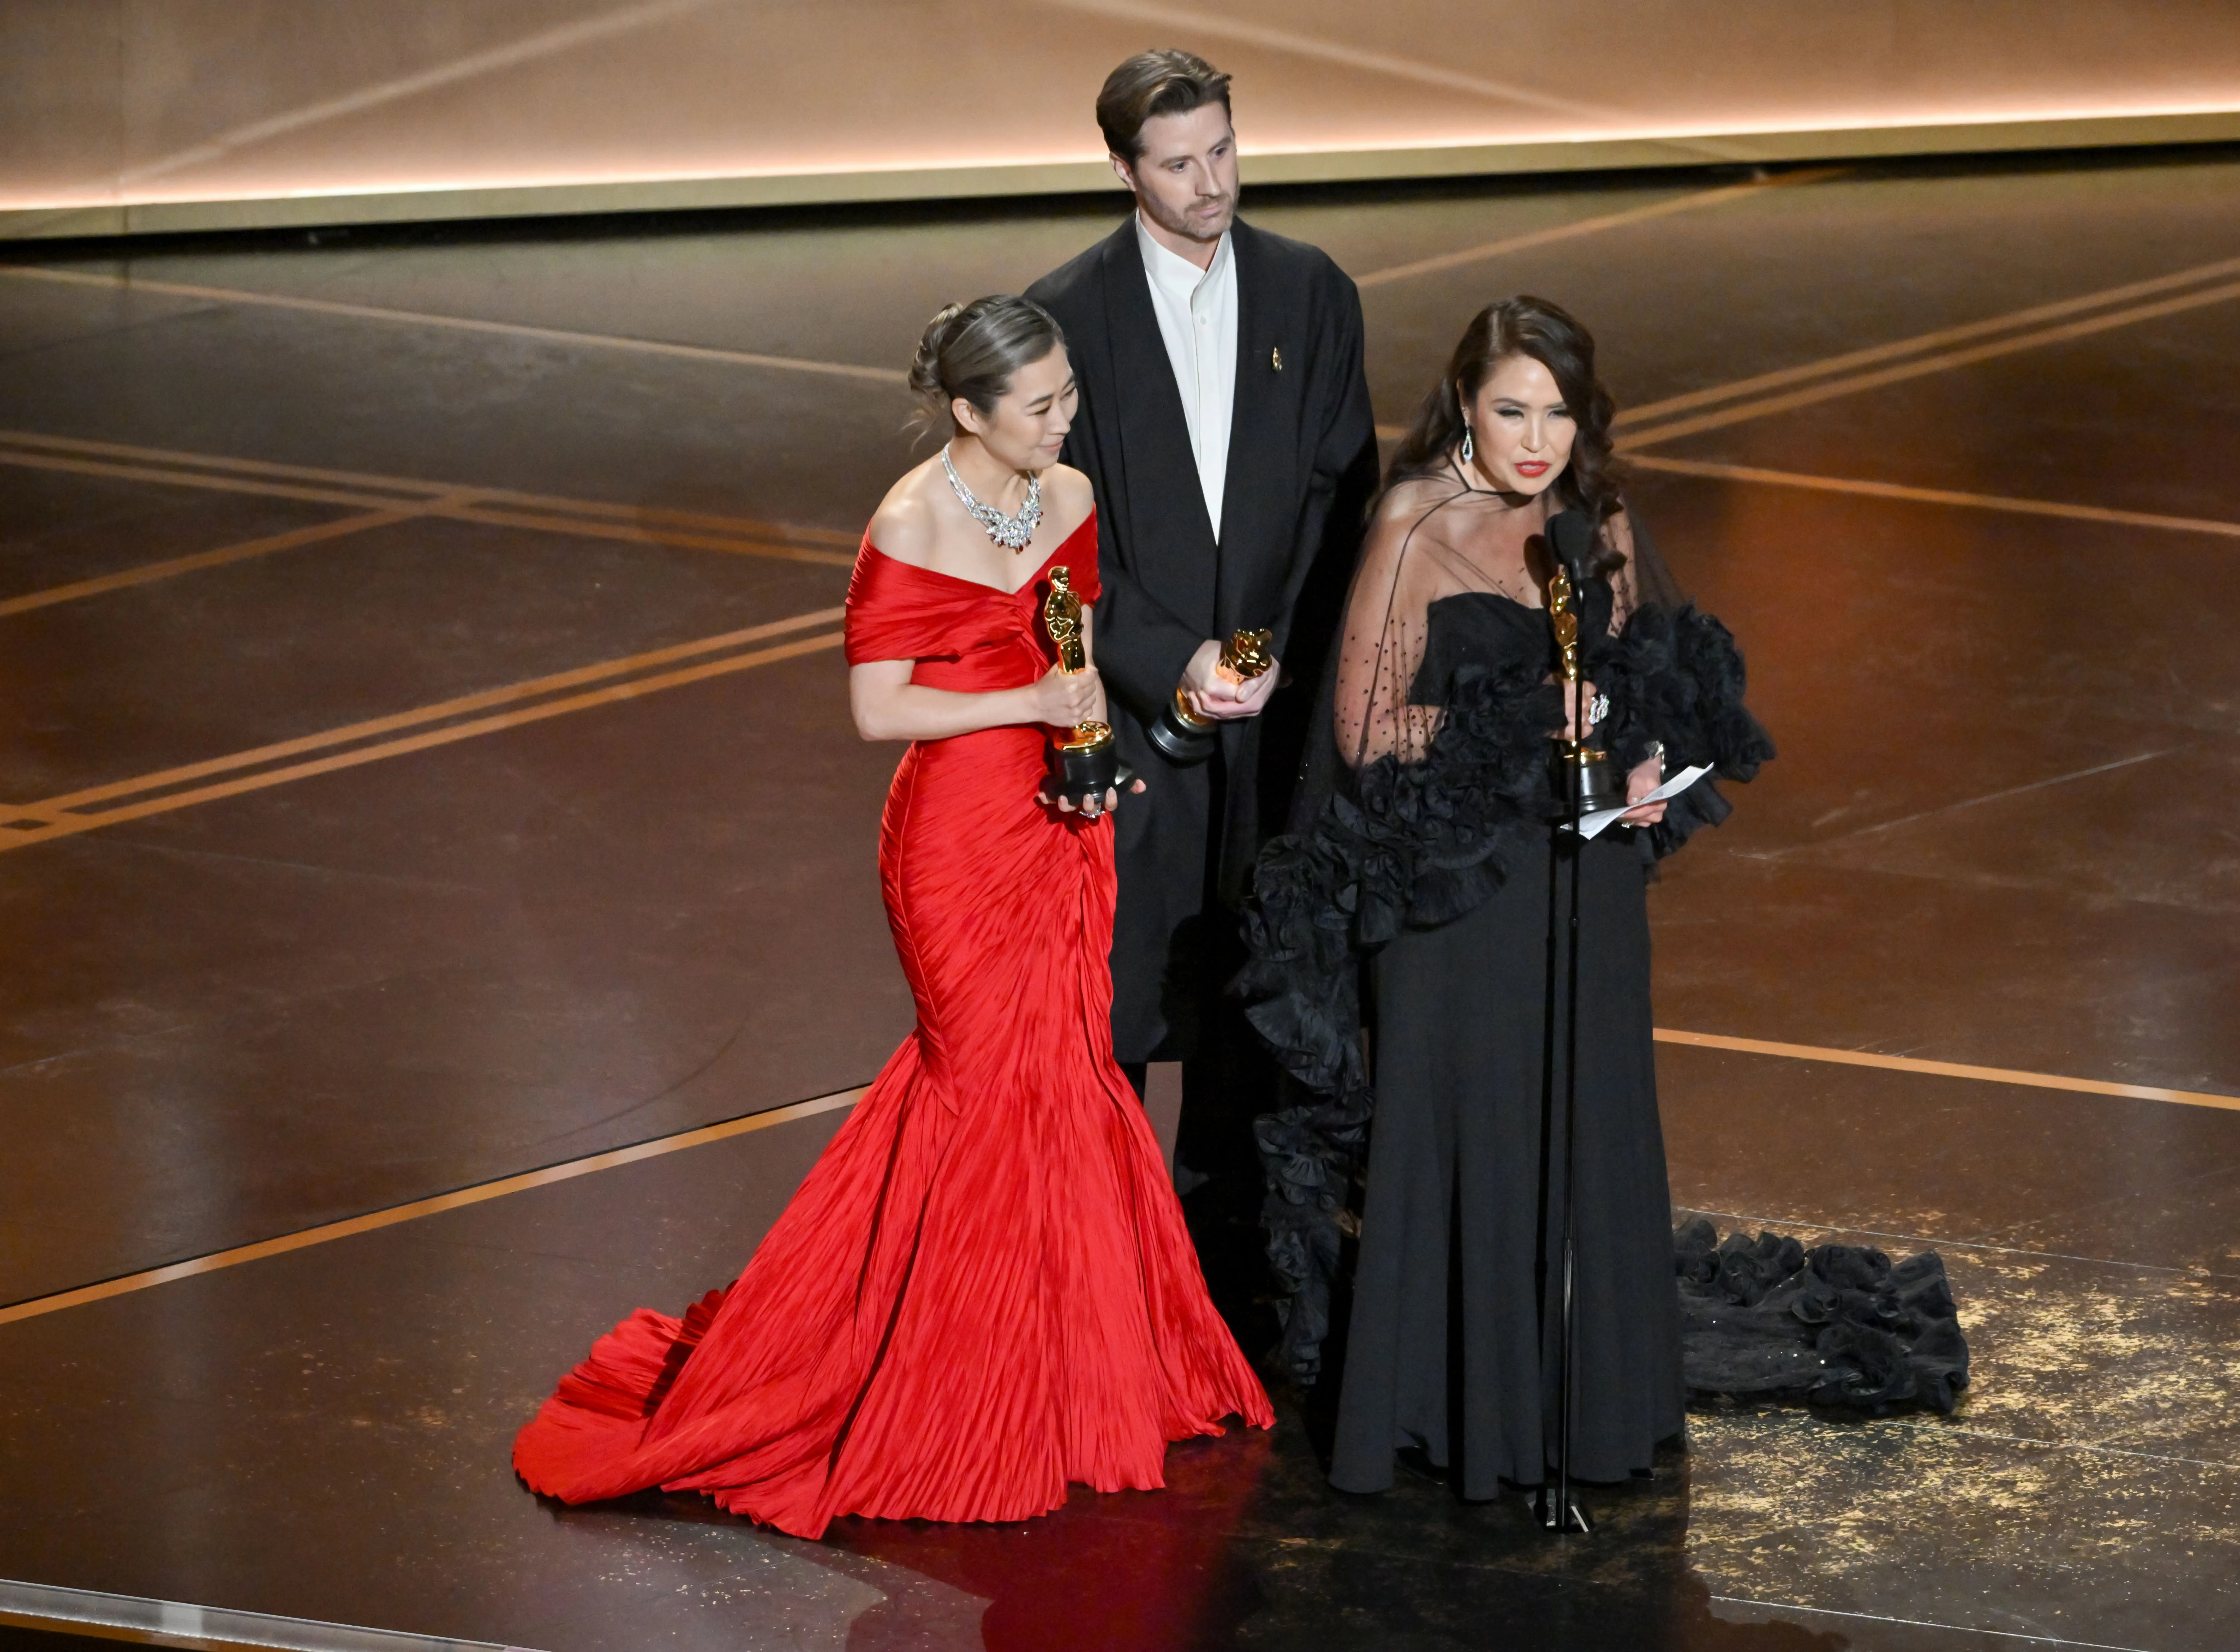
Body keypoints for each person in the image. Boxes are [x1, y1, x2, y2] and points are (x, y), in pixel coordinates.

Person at [511, 296, 1271, 1533]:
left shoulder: (1072, 497)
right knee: (975, 1086)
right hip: (956, 838)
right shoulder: (911, 520)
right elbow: (879, 709)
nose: (1065, 420)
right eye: (1041, 404)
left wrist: (1089, 747)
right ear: (969, 409)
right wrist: (1029, 703)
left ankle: (1062, 1372)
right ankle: (946, 1384)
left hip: (1061, 824)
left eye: (1070, 395)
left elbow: (1075, 649)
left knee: (1063, 1075)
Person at [1246, 297, 1970, 1505]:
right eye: (1511, 411)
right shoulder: (1415, 520)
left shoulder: (1599, 522)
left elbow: (1635, 685)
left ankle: (1586, 1401)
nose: (1537, 441)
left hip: (1579, 879)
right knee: (1475, 1129)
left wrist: (1637, 767)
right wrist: (1531, 720)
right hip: (1455, 897)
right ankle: (1459, 1408)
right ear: (1465, 404)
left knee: (1585, 1118)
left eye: (1559, 414)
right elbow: (1369, 733)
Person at [1025, 50, 1377, 1185]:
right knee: (1122, 1007)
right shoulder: (1064, 320)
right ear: (1124, 170)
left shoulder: (1310, 292)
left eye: (1222, 150)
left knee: (1254, 1004)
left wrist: (1268, 656)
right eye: (1179, 164)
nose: (1212, 182)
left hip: (1272, 717)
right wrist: (1175, 657)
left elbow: (1339, 494)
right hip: (1137, 726)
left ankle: (1228, 1257)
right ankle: (1112, 1255)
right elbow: (1049, 541)